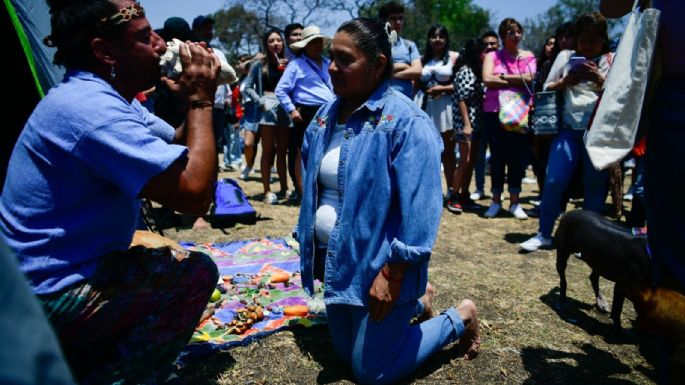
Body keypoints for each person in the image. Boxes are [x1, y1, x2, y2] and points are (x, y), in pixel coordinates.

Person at [0, 1, 219, 383]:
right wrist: (201, 102)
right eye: (143, 37)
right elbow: (194, 193)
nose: (160, 44)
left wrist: (189, 103)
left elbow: (178, 148)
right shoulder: (91, 110)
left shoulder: (107, 97)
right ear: (104, 51)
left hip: (40, 278)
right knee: (195, 274)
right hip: (46, 292)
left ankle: (86, 352)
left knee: (158, 255)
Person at [297, 18, 480, 384]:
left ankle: (459, 317)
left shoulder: (407, 123)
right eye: (331, 58)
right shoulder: (323, 117)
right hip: (340, 267)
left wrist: (394, 273)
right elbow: (314, 188)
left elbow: (421, 210)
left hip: (381, 268)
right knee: (345, 356)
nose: (332, 67)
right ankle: (416, 305)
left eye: (345, 60)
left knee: (371, 372)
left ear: (378, 64)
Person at [520, 12, 614, 252]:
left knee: (594, 189)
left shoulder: (612, 60)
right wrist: (565, 81)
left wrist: (600, 80)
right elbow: (546, 87)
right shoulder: (565, 56)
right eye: (583, 39)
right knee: (554, 180)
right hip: (567, 131)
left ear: (603, 40)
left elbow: (620, 95)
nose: (588, 45)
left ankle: (588, 243)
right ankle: (544, 234)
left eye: (593, 40)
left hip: (598, 134)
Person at [481, 18, 536, 220]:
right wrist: (516, 79)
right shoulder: (492, 56)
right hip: (494, 111)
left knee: (516, 157)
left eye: (518, 31)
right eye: (510, 32)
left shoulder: (527, 56)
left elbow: (530, 79)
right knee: (497, 157)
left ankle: (515, 202)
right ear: (503, 36)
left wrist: (502, 77)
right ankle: (496, 201)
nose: (515, 35)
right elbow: (487, 79)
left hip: (519, 113)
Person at [275, 25, 334, 200]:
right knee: (301, 153)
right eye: (313, 42)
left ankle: (322, 191)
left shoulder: (328, 64)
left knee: (325, 151)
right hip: (305, 112)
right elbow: (281, 90)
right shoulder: (296, 65)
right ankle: (303, 193)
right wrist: (292, 110)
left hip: (328, 111)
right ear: (305, 45)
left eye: (319, 42)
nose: (317, 45)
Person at [244, 29, 292, 204]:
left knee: (282, 152)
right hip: (267, 107)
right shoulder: (259, 63)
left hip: (285, 108)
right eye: (271, 41)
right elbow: (247, 86)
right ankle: (267, 190)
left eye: (278, 40)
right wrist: (260, 101)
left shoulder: (289, 62)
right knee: (268, 150)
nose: (275, 44)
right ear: (266, 44)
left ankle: (284, 189)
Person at [418, 24, 458, 200]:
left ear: (446, 39)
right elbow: (415, 82)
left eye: (441, 36)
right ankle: (428, 191)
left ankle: (451, 189)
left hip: (445, 107)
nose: (437, 40)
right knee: (426, 151)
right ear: (428, 39)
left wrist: (443, 88)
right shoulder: (420, 59)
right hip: (423, 105)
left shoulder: (454, 57)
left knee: (448, 151)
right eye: (433, 36)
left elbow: (460, 83)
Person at [447, 38, 485, 214]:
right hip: (464, 124)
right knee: (465, 160)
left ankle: (464, 194)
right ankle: (453, 196)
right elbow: (462, 99)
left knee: (470, 161)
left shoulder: (476, 72)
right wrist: (467, 125)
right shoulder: (465, 72)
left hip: (476, 122)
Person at [470, 30, 500, 202]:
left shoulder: (502, 62)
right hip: (478, 115)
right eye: (486, 44)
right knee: (479, 155)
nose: (489, 47)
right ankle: (479, 188)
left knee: (497, 154)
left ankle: (497, 190)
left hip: (498, 114)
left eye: (493, 43)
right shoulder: (475, 64)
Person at [378, 1, 422, 99]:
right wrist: (403, 66)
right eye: (393, 18)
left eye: (400, 18)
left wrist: (391, 74)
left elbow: (417, 71)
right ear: (384, 21)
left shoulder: (409, 45)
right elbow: (375, 70)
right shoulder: (376, 44)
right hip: (381, 100)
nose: (398, 22)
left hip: (405, 101)